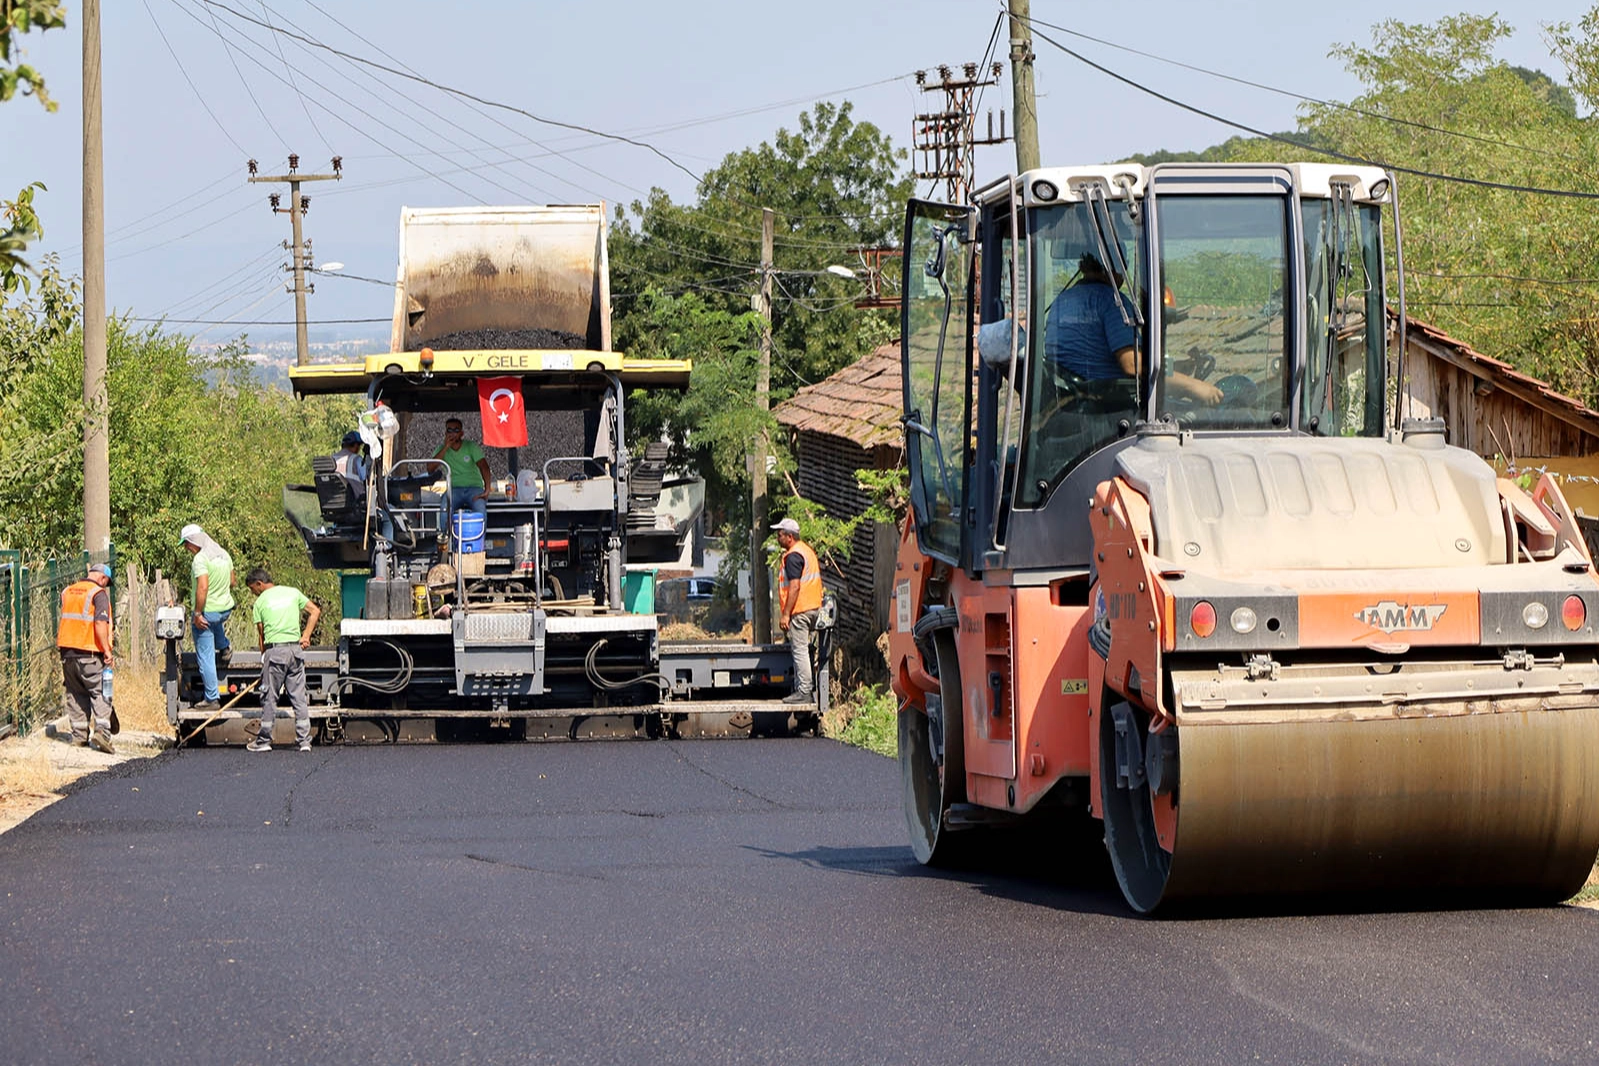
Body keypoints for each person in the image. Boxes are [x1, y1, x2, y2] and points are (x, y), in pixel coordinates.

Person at [1044, 255, 1221, 406]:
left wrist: (1177, 369)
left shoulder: (1062, 301)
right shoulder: (1112, 301)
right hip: (1108, 406)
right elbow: (1132, 364)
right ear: (1117, 266)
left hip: (1072, 401)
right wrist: (1192, 385)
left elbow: (1093, 354)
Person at [244, 568, 321, 753]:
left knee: (269, 697)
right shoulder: (292, 592)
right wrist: (306, 636)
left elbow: (262, 634)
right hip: (295, 652)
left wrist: (264, 657)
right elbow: (315, 611)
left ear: (259, 584)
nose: (252, 592)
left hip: (275, 652)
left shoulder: (260, 602)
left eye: (252, 588)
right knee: (299, 697)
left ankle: (263, 741)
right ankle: (304, 741)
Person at [57, 562, 116, 753]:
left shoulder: (68, 591)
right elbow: (100, 623)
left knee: (75, 693)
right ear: (102, 578)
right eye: (106, 583)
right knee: (100, 691)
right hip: (89, 652)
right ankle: (102, 733)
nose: (105, 586)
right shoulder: (98, 594)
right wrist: (106, 650)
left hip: (67, 653)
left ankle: (79, 736)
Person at [180, 523, 235, 711]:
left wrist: (197, 613)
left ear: (194, 542)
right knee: (215, 622)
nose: (187, 548)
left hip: (207, 612)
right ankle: (225, 647)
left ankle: (211, 698)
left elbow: (202, 586)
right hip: (225, 608)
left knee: (205, 657)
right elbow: (232, 581)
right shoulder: (223, 553)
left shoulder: (200, 559)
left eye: (186, 544)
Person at [772, 517, 823, 706]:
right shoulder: (806, 551)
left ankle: (804, 691)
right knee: (804, 650)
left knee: (799, 650)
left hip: (800, 610)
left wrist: (786, 614)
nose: (777, 538)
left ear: (790, 537)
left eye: (780, 535)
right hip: (812, 607)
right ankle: (804, 688)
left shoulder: (793, 555)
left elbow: (794, 587)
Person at [433, 417, 491, 519]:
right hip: (454, 490)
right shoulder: (441, 449)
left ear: (462, 433)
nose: (452, 433)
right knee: (444, 508)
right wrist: (446, 447)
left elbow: (484, 467)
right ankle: (445, 534)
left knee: (480, 510)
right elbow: (430, 468)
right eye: (449, 430)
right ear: (445, 433)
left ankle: (481, 535)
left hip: (474, 488)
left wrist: (487, 490)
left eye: (456, 430)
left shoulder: (471, 446)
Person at [332, 430, 370, 498]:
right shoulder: (356, 459)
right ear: (356, 445)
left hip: (333, 500)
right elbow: (366, 479)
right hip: (355, 502)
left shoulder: (332, 459)